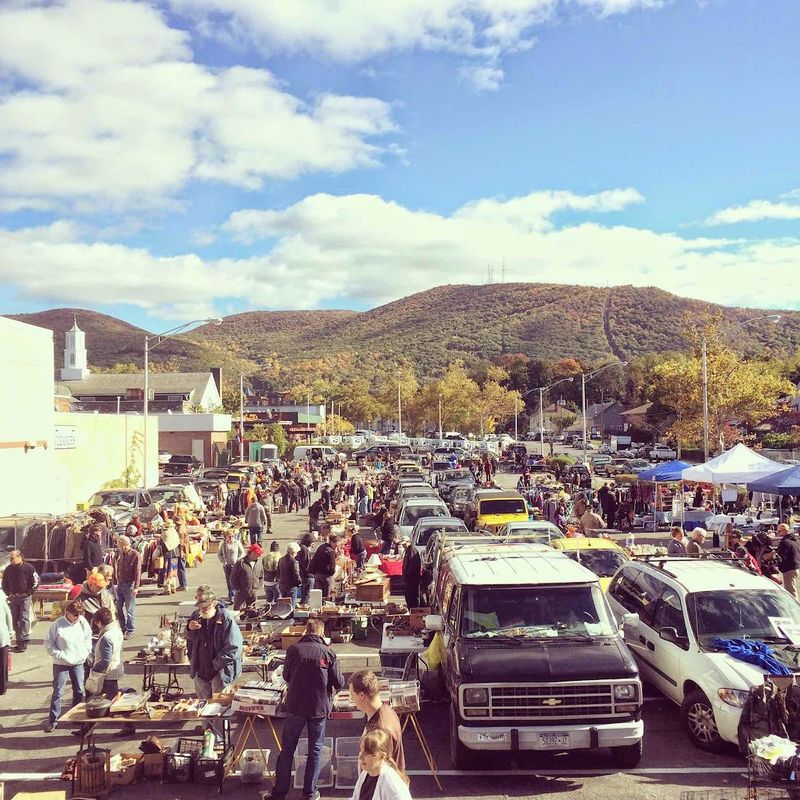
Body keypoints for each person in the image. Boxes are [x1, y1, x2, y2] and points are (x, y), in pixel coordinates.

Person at [267, 619, 344, 800]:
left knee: (287, 749)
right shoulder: (328, 653)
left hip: (295, 706)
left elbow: (286, 676)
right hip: (318, 708)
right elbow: (339, 682)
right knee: (315, 750)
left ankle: (279, 792)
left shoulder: (293, 650)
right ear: (321, 634)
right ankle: (309, 792)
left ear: (305, 632)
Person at [186, 586, 242, 736]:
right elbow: (190, 639)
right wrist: (189, 629)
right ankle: (207, 735)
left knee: (218, 708)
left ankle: (219, 741)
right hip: (200, 670)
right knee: (204, 707)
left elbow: (234, 647)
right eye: (200, 607)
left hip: (219, 671)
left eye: (206, 606)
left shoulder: (225, 618)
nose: (203, 609)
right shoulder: (196, 616)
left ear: (214, 602)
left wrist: (215, 664)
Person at [44, 600, 92, 732]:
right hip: (61, 664)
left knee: (79, 690)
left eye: (79, 615)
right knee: (58, 692)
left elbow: (88, 639)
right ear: (67, 613)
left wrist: (85, 652)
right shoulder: (57, 625)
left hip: (78, 662)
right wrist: (60, 655)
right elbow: (48, 644)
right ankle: (53, 720)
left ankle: (75, 716)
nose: (77, 618)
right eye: (75, 615)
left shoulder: (82, 622)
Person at [348, 670, 405, 770]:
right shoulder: (387, 710)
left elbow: (377, 771)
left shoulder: (379, 730)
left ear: (362, 695)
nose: (351, 699)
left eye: (352, 695)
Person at [350, 729, 412, 800]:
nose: (360, 757)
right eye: (361, 750)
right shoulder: (365, 774)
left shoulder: (391, 785)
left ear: (382, 756)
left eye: (367, 753)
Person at [1, 549, 39, 652]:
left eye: (12, 558)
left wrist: (28, 592)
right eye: (10, 558)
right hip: (13, 597)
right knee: (14, 619)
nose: (11, 560)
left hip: (24, 596)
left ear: (19, 557)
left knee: (24, 618)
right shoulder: (8, 569)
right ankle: (19, 640)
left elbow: (36, 581)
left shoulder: (29, 568)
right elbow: (4, 583)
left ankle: (23, 640)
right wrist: (9, 594)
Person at [114, 535, 141, 639]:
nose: (123, 548)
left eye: (124, 545)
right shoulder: (120, 553)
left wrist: (136, 587)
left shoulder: (135, 554)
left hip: (130, 584)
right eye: (121, 546)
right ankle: (123, 627)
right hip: (120, 584)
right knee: (118, 608)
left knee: (130, 609)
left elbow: (137, 572)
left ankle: (130, 630)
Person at [231, 544, 265, 610]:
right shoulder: (240, 563)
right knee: (238, 610)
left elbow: (261, 576)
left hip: (253, 592)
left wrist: (258, 586)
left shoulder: (259, 563)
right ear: (252, 553)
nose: (259, 556)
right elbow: (233, 577)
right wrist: (238, 589)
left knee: (252, 611)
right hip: (242, 592)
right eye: (257, 554)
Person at [218, 529, 245, 603]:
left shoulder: (237, 543)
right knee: (229, 581)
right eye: (229, 536)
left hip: (236, 566)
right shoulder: (223, 544)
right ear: (226, 537)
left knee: (236, 581)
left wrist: (238, 560)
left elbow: (242, 553)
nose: (231, 538)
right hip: (227, 566)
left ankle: (237, 595)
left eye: (232, 536)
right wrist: (223, 561)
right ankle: (231, 596)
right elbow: (219, 554)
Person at [309, 534, 338, 598]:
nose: (336, 546)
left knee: (320, 594)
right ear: (332, 542)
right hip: (326, 576)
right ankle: (325, 606)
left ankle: (320, 606)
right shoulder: (330, 551)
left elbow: (314, 559)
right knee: (327, 595)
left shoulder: (321, 547)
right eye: (336, 544)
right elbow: (332, 565)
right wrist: (332, 573)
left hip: (318, 574)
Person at [777, 523, 800, 599]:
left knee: (790, 590)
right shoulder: (796, 540)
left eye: (779, 531)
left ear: (785, 530)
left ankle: (795, 607)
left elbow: (782, 557)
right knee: (793, 588)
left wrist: (780, 567)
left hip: (788, 568)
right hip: (796, 566)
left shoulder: (785, 542)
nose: (778, 532)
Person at [278, 543, 302, 607]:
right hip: (291, 586)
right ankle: (290, 616)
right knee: (291, 606)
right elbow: (296, 575)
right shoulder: (294, 562)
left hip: (282, 585)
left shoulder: (281, 560)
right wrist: (299, 583)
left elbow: (278, 572)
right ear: (294, 552)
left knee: (285, 606)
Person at [401, 540, 421, 610]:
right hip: (409, 578)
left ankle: (413, 609)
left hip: (412, 579)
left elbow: (413, 565)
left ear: (408, 542)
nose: (403, 546)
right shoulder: (408, 550)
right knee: (409, 595)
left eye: (404, 544)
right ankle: (411, 608)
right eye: (402, 544)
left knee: (412, 595)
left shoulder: (412, 550)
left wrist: (407, 574)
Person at [298, 533, 315, 604]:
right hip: (307, 575)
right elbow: (307, 563)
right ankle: (303, 608)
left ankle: (302, 606)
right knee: (306, 595)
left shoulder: (301, 547)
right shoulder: (305, 549)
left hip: (302, 574)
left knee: (304, 594)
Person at [0, 587, 11, 694]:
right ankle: (2, 687)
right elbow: (9, 616)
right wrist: (11, 631)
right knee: (3, 664)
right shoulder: (2, 600)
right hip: (3, 637)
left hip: (2, 636)